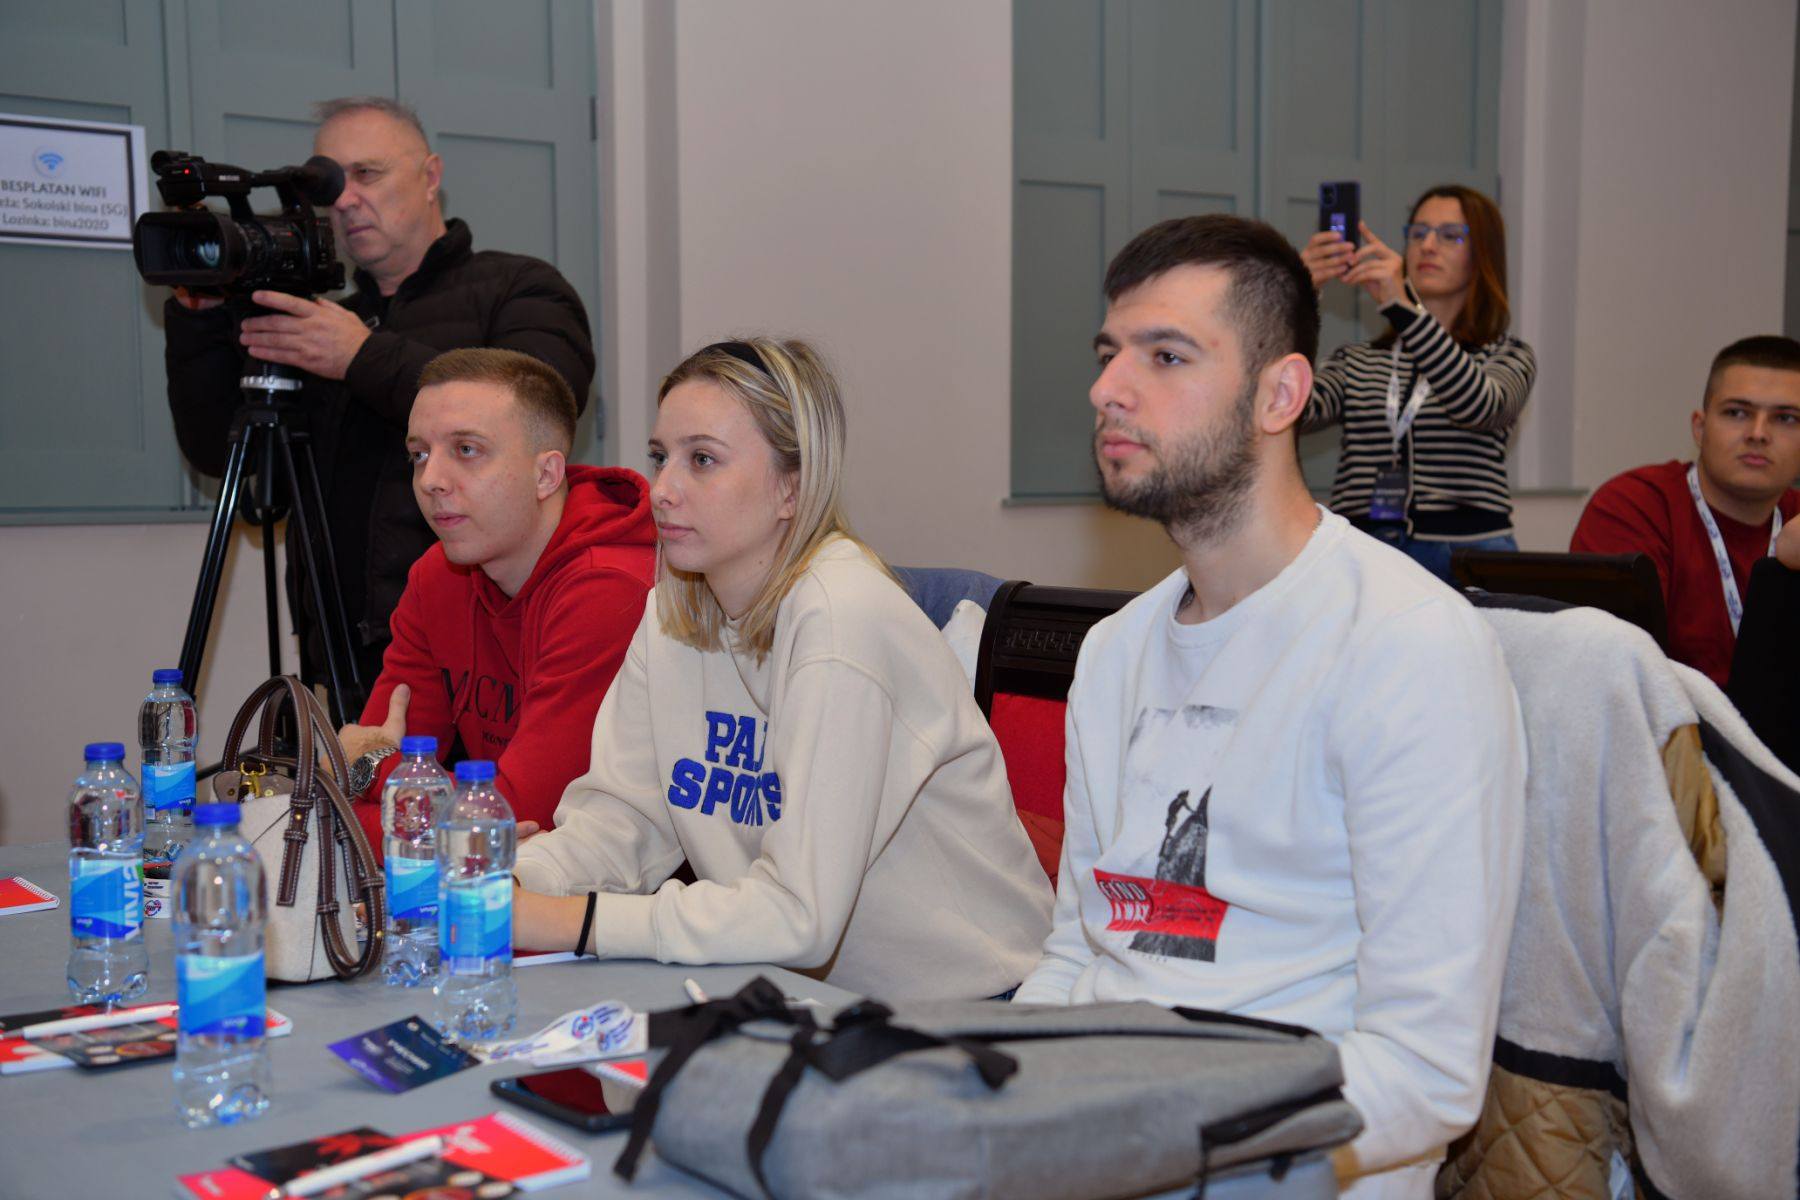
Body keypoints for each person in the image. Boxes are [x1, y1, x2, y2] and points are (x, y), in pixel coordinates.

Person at [1013, 214, 1525, 1199]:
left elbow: (1426, 1074)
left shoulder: (1406, 646)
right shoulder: (1114, 651)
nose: (1108, 390)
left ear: (1280, 394)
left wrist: (1142, 1143)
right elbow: (1078, 950)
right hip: (1100, 1133)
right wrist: (1002, 1111)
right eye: (1109, 354)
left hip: (1279, 1168)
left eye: (1166, 356)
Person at [511, 337, 1052, 1001]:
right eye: (660, 457)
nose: (663, 490)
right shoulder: (673, 608)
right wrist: (511, 880)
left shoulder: (844, 618)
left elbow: (799, 915)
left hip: (972, 1005)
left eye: (702, 459)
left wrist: (567, 921)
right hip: (796, 991)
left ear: (791, 489)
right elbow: (625, 823)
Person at [163, 96, 596, 694]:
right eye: (328, 184)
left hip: (483, 652)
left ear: (431, 177)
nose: (344, 200)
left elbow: (542, 408)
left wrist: (361, 356)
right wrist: (201, 321)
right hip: (339, 656)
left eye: (366, 173)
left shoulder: (521, 289)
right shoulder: (318, 324)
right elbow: (219, 451)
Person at [335, 347, 654, 847]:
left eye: (466, 450)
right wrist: (462, 821)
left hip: (626, 889)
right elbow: (345, 810)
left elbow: (519, 812)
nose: (430, 480)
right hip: (498, 878)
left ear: (546, 475)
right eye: (419, 455)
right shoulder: (438, 576)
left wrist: (370, 767)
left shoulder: (609, 589)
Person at [1299, 184, 1536, 582]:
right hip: (1363, 555)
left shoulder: (1507, 355)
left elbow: (1479, 407)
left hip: (1466, 556)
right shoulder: (1357, 360)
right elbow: (1285, 411)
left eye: (1450, 235)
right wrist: (1295, 297)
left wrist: (1404, 310)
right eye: (1418, 233)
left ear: (1483, 255)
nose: (1427, 246)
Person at [1570, 335, 1800, 688]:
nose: (1758, 434)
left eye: (1785, 418)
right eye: (1737, 412)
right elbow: (1612, 673)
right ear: (1700, 428)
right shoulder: (1633, 506)